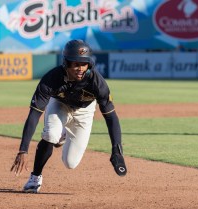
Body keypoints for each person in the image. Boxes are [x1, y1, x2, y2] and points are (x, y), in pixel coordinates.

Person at [10, 39, 127, 193]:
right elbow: (34, 114)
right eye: (75, 63)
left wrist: (117, 151)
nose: (80, 68)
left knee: (70, 163)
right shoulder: (52, 79)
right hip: (60, 104)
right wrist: (23, 150)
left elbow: (111, 117)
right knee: (51, 134)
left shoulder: (97, 83)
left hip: (85, 111)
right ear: (66, 63)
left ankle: (63, 133)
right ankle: (35, 178)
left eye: (84, 64)